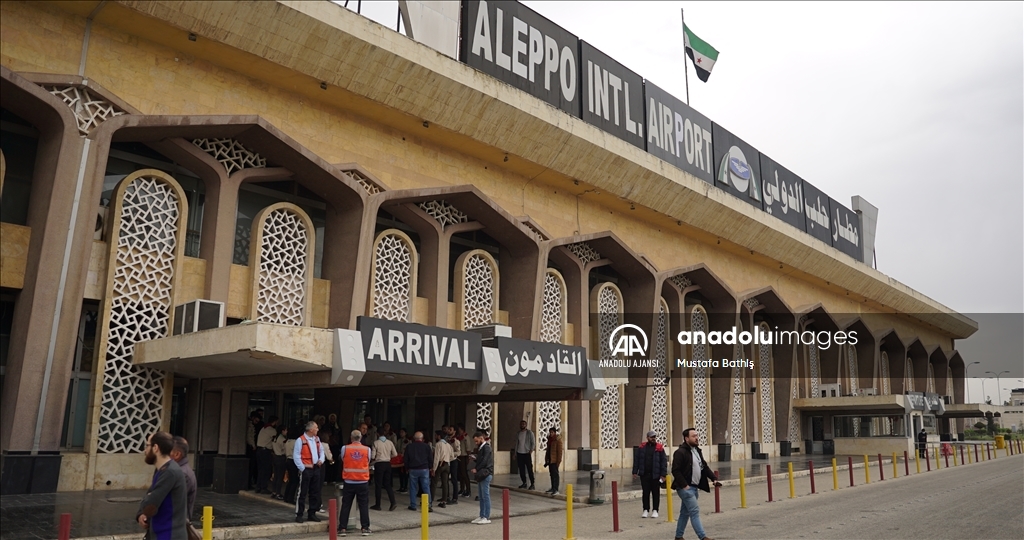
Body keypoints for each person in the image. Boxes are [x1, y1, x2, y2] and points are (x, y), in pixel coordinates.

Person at [136, 431, 188, 540]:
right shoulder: (162, 470)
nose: (145, 450)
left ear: (155, 448)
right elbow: (149, 499)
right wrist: (141, 514)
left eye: (147, 446)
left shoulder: (170, 472)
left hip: (168, 535)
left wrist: (148, 501)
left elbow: (150, 504)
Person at [671, 428, 720, 540]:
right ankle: (702, 537)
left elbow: (704, 467)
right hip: (685, 488)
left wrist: (714, 479)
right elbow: (675, 470)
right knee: (694, 511)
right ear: (686, 438)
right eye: (693, 436)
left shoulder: (697, 451)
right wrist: (684, 485)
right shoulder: (680, 452)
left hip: (694, 487)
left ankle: (678, 536)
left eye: (697, 435)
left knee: (685, 513)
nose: (697, 438)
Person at [338, 430, 372, 537]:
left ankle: (342, 528)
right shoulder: (367, 449)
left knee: (346, 504)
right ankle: (365, 528)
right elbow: (368, 461)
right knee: (363, 505)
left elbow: (343, 459)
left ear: (351, 438)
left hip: (349, 481)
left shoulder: (345, 448)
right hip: (362, 481)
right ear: (360, 438)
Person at [292, 421, 325, 523]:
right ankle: (299, 514)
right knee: (302, 492)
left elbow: (322, 451)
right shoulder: (300, 440)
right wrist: (302, 468)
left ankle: (312, 513)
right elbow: (296, 456)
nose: (317, 429)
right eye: (316, 428)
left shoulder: (317, 439)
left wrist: (321, 460)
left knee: (315, 492)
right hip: (306, 469)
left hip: (316, 468)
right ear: (311, 430)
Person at [633, 430, 667, 518]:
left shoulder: (659, 448)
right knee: (645, 493)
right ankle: (645, 509)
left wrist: (663, 474)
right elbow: (637, 460)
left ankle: (655, 510)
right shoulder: (642, 448)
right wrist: (634, 471)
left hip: (655, 474)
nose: (653, 439)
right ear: (647, 438)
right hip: (644, 474)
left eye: (654, 437)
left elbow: (663, 462)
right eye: (651, 437)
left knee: (656, 493)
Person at [169, 436, 197, 523]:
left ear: (176, 454)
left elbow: (169, 501)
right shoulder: (175, 470)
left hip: (175, 527)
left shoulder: (182, 474)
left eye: (166, 451)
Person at [403, 431, 433, 511]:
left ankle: (413, 505)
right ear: (422, 439)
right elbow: (430, 458)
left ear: (414, 438)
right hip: (424, 469)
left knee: (413, 488)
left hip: (413, 469)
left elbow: (406, 459)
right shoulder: (426, 446)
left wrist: (406, 468)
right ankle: (428, 505)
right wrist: (430, 467)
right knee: (426, 487)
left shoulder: (409, 447)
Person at [370, 431, 398, 511]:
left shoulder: (376, 443)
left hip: (379, 464)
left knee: (378, 485)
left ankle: (378, 505)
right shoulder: (390, 442)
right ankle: (393, 502)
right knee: (387, 484)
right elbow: (395, 454)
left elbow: (372, 456)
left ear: (377, 434)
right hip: (387, 464)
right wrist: (388, 456)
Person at [469, 430, 492, 525]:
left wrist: (476, 469)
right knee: (481, 496)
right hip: (481, 474)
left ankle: (486, 516)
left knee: (485, 496)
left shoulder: (486, 448)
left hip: (485, 473)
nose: (476, 443)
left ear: (481, 438)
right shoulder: (481, 448)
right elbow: (480, 460)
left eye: (476, 441)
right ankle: (482, 515)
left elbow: (484, 461)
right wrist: (475, 458)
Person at [255, 416, 278, 494]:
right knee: (266, 470)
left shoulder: (263, 428)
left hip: (259, 450)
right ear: (274, 422)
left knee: (261, 469)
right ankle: (263, 487)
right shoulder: (272, 430)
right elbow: (275, 441)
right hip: (265, 451)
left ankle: (258, 486)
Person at [431, 430, 454, 508]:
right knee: (445, 483)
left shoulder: (438, 444)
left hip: (440, 464)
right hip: (447, 464)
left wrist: (434, 468)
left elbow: (436, 457)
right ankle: (444, 501)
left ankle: (430, 500)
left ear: (439, 436)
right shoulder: (448, 445)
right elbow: (452, 456)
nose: (435, 437)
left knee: (434, 482)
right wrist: (447, 460)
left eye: (436, 435)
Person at [514, 420, 535, 490]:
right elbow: (516, 444)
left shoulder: (529, 433)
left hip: (527, 453)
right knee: (521, 469)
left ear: (526, 425)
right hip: (519, 453)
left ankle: (532, 484)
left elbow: (533, 442)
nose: (522, 425)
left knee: (529, 469)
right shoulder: (518, 433)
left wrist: (531, 450)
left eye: (523, 424)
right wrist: (515, 453)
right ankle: (524, 483)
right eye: (521, 424)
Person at [271, 425, 289, 500]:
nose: (286, 432)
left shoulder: (274, 438)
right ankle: (278, 493)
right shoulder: (282, 439)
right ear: (282, 431)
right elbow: (284, 449)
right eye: (285, 430)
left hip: (275, 456)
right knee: (280, 476)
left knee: (275, 475)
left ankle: (274, 492)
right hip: (281, 457)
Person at [283, 425, 300, 504]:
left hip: (288, 460)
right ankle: (290, 498)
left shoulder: (287, 441)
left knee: (290, 480)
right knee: (294, 481)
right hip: (294, 461)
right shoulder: (296, 442)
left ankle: (286, 496)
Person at [543, 427, 563, 495]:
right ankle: (552, 488)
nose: (551, 434)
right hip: (550, 460)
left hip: (554, 460)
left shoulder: (558, 440)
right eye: (550, 432)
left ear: (555, 433)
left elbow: (559, 452)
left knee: (555, 475)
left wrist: (558, 462)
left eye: (552, 432)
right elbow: (548, 450)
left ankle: (556, 489)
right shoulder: (550, 440)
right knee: (551, 475)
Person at [446, 425, 461, 504]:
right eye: (448, 429)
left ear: (454, 431)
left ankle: (455, 498)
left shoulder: (455, 440)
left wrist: (451, 454)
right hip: (446, 460)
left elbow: (458, 452)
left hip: (453, 460)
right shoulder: (446, 439)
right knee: (445, 478)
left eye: (450, 429)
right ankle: (446, 496)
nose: (448, 431)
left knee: (454, 479)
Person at [456, 424, 471, 498]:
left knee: (464, 474)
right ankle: (462, 489)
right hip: (458, 456)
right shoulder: (457, 438)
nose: (459, 432)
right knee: (460, 474)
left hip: (464, 456)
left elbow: (468, 448)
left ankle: (468, 490)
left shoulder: (465, 437)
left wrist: (468, 457)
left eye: (460, 430)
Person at [395, 428, 411, 493]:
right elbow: (396, 448)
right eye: (400, 432)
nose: (401, 433)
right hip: (399, 458)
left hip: (405, 458)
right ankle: (401, 486)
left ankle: (405, 487)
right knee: (400, 473)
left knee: (405, 473)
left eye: (402, 432)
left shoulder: (408, 441)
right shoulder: (399, 440)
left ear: (405, 433)